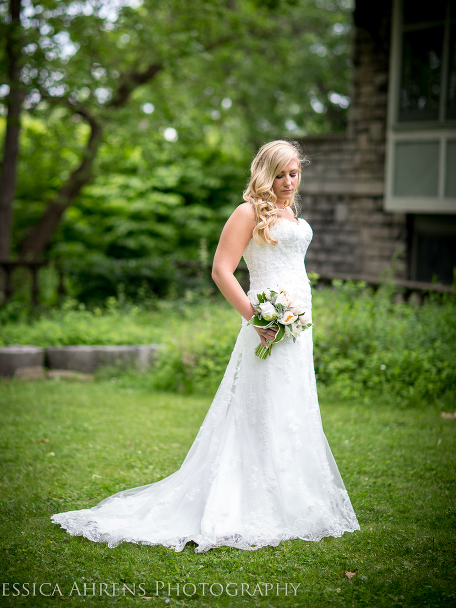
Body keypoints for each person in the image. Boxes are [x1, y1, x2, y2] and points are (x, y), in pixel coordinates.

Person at [51, 139, 360, 552]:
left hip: (297, 330)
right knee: (260, 409)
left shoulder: (288, 213)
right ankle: (247, 498)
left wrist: (293, 315)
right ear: (264, 173)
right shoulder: (247, 212)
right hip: (266, 325)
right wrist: (257, 317)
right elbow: (221, 269)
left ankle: (292, 497)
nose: (289, 182)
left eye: (294, 173)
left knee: (290, 407)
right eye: (281, 174)